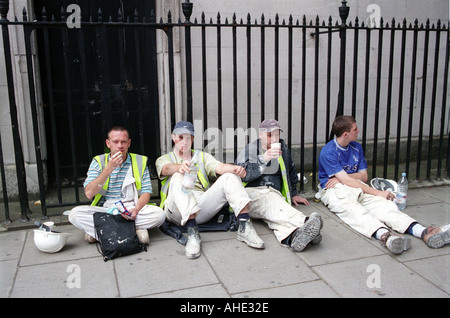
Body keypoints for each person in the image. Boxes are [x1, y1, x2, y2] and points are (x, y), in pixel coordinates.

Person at [318, 115, 450, 254]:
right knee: (353, 211)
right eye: (355, 129)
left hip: (358, 185)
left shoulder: (356, 147)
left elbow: (363, 176)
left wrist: (342, 178)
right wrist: (372, 190)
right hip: (334, 189)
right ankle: (386, 236)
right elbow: (349, 181)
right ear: (346, 134)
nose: (358, 131)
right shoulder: (328, 152)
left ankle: (423, 232)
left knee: (384, 206)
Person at [155, 121, 264, 259]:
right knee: (177, 176)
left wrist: (234, 169)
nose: (184, 142)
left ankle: (245, 226)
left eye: (188, 137)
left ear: (193, 139)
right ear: (173, 137)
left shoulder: (201, 156)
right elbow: (166, 169)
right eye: (180, 137)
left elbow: (218, 167)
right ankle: (193, 235)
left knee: (230, 176)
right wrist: (179, 168)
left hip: (201, 206)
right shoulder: (164, 159)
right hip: (176, 211)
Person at [235, 119, 323, 252]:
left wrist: (293, 193)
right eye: (270, 135)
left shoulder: (283, 148)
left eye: (277, 135)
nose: (274, 139)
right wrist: (264, 159)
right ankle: (304, 221)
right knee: (270, 201)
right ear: (261, 134)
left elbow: (291, 171)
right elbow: (243, 175)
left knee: (274, 215)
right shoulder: (250, 149)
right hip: (251, 195)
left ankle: (293, 237)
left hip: (274, 195)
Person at [69, 126, 165, 245]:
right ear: (108, 143)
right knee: (74, 214)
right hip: (106, 209)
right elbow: (89, 193)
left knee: (159, 215)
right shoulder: (98, 161)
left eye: (123, 142)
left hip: (131, 208)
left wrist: (136, 210)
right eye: (115, 142)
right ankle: (133, 230)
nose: (120, 145)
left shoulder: (140, 161)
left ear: (129, 143)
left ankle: (101, 231)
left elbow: (146, 192)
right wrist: (108, 169)